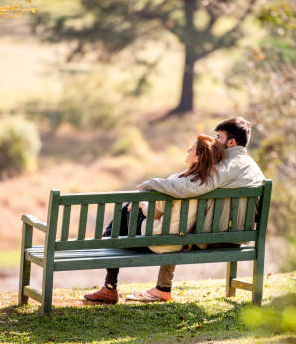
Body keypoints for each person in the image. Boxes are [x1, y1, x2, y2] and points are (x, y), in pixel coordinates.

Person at [129, 117, 265, 302]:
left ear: (231, 142)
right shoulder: (254, 168)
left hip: (213, 235)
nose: (215, 141)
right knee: (181, 217)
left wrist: (151, 183)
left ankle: (157, 288)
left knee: (179, 221)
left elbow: (192, 187)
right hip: (242, 235)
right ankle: (162, 288)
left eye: (219, 137)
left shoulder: (226, 167)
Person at [83, 134, 225, 304]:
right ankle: (110, 283)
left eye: (192, 148)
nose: (188, 150)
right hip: (179, 242)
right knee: (126, 214)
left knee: (124, 214)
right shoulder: (208, 185)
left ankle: (109, 283)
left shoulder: (178, 182)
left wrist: (142, 205)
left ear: (199, 157)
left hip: (156, 241)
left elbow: (155, 213)